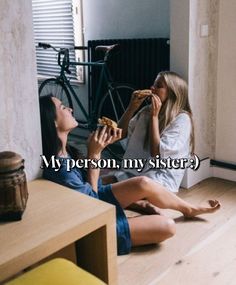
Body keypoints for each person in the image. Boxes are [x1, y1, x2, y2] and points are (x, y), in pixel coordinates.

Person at [39, 94, 220, 255]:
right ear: (53, 121)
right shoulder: (59, 168)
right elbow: (91, 206)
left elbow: (90, 185)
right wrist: (94, 155)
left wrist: (136, 202)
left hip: (93, 201)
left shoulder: (65, 151)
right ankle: (124, 224)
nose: (70, 108)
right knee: (168, 226)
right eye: (63, 107)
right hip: (91, 224)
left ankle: (188, 209)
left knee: (142, 182)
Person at [110, 71, 195, 193]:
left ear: (172, 93)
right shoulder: (146, 111)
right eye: (153, 85)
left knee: (113, 192)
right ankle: (142, 203)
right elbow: (119, 135)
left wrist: (154, 117)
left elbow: (157, 154)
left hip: (160, 179)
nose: (152, 88)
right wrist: (131, 108)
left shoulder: (182, 119)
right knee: (99, 183)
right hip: (134, 172)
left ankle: (146, 203)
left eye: (158, 86)